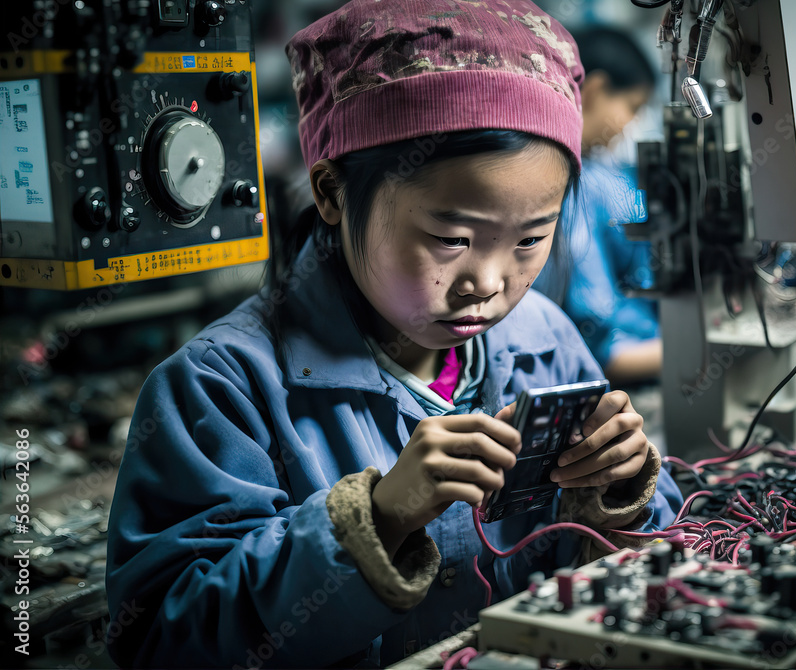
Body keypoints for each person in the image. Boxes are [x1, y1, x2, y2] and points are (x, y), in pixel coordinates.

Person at [104, 1, 683, 667]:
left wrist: (623, 490)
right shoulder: (219, 387)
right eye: (451, 238)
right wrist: (375, 521)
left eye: (531, 240)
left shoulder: (545, 338)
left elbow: (643, 558)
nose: (488, 283)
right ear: (332, 193)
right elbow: (160, 640)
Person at [535, 27, 663, 385]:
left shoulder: (596, 176)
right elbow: (602, 346)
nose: (631, 125)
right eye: (633, 107)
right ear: (593, 90)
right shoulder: (578, 185)